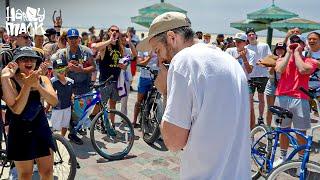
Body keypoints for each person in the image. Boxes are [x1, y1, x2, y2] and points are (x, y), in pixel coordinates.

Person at [137, 12, 250, 179]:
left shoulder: (184, 60)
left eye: (158, 50)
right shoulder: (231, 62)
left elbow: (174, 142)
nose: (159, 58)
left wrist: (166, 91)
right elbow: (250, 121)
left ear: (172, 38)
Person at [1, 47, 58, 179]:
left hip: (41, 127)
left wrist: (37, 85)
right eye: (23, 59)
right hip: (20, 130)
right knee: (26, 174)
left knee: (47, 171)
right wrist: (27, 85)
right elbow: (17, 109)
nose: (29, 62)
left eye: (32, 59)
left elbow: (54, 101)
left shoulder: (43, 79)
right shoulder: (9, 80)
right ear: (16, 63)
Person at [274, 35, 320, 166]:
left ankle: (301, 160)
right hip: (282, 97)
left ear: (303, 45)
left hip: (300, 98)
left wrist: (297, 53)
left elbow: (303, 69)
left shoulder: (310, 60)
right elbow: (279, 69)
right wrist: (289, 52)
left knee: (301, 132)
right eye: (293, 42)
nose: (295, 45)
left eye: (298, 42)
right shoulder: (282, 59)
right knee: (283, 129)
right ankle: (283, 157)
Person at [51, 28, 96, 145]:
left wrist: (82, 69)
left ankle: (75, 130)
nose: (73, 41)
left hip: (84, 87)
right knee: (69, 112)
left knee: (80, 112)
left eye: (75, 38)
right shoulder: (62, 53)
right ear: (67, 39)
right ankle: (71, 134)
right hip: (68, 89)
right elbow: (56, 71)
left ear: (79, 38)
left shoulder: (86, 51)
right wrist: (67, 68)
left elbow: (94, 67)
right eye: (71, 38)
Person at [95, 25, 126, 124]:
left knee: (113, 105)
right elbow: (96, 47)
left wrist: (123, 65)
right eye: (112, 30)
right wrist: (110, 40)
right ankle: (101, 122)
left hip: (116, 80)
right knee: (102, 104)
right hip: (105, 80)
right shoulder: (105, 46)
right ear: (108, 32)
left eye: (117, 31)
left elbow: (123, 64)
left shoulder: (120, 47)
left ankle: (111, 124)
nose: (114, 32)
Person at [246, 28, 272, 127]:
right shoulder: (246, 47)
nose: (251, 36)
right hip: (250, 76)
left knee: (261, 98)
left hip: (262, 75)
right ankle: (249, 117)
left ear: (256, 35)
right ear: (247, 38)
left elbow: (270, 57)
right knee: (250, 98)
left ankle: (260, 117)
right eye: (249, 35)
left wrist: (263, 62)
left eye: (253, 34)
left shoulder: (264, 46)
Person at [132, 50, 158, 127]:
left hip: (156, 78)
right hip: (144, 78)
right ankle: (134, 121)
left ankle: (153, 120)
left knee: (156, 100)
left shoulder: (159, 48)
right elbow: (140, 63)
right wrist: (149, 57)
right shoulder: (143, 50)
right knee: (139, 101)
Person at [50, 58, 74, 137]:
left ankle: (62, 138)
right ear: (54, 70)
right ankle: (52, 139)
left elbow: (72, 93)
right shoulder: (53, 81)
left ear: (66, 68)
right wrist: (47, 108)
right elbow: (50, 95)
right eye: (58, 68)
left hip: (67, 107)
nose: (61, 70)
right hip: (57, 108)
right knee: (54, 126)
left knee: (65, 125)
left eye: (63, 68)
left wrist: (73, 97)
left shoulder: (71, 81)